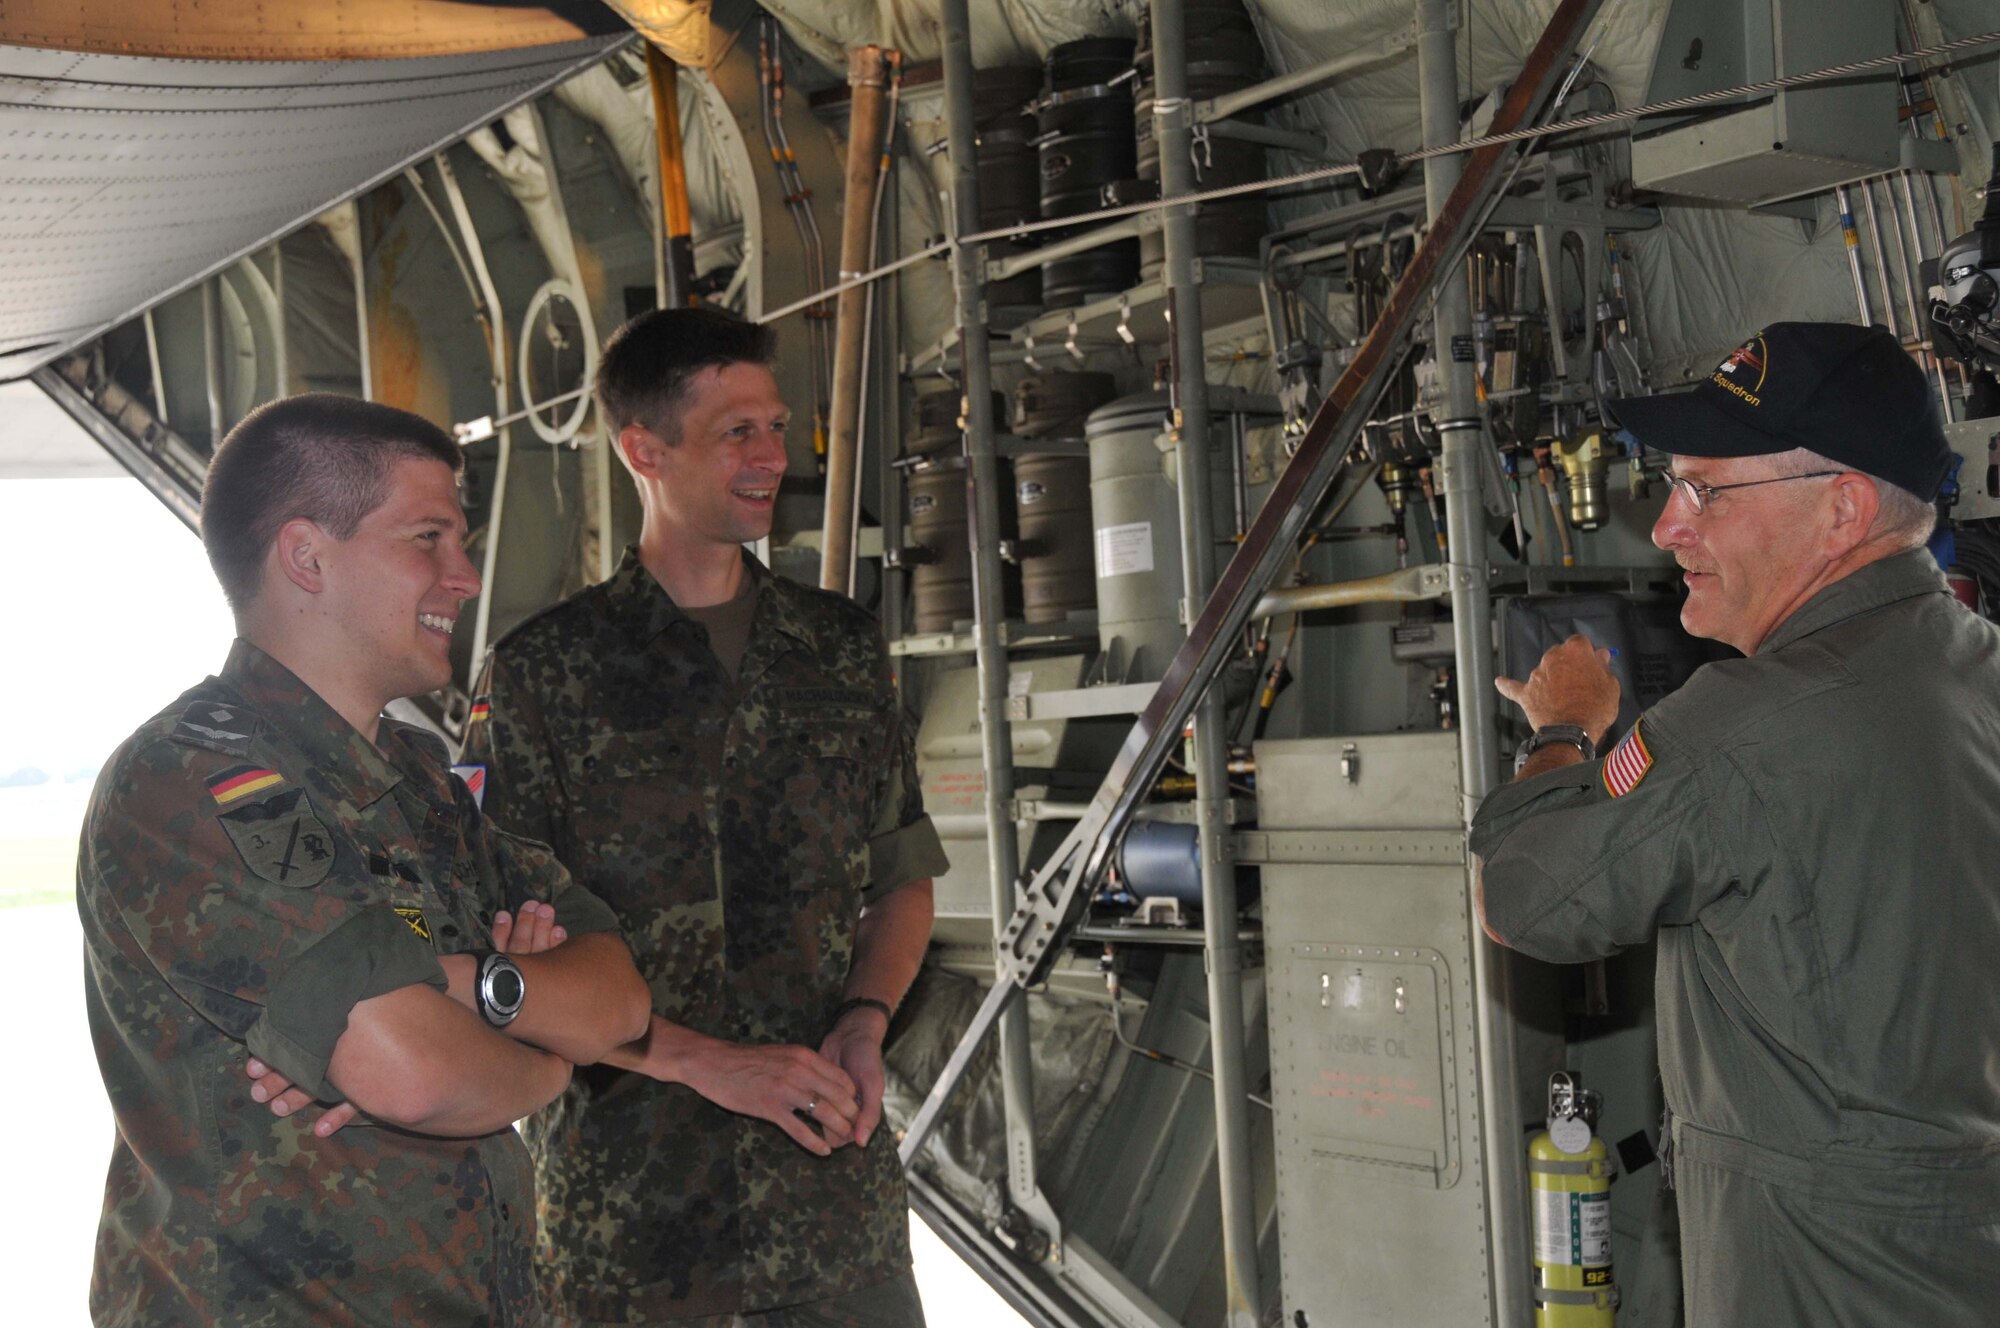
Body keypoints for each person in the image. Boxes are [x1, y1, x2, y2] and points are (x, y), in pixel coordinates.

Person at [79, 393, 652, 1326]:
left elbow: (621, 998)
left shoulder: (416, 776)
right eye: (427, 538)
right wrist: (548, 1054)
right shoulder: (189, 781)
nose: (463, 578)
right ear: (307, 556)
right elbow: (414, 1074)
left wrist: (466, 990)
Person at [1470, 322, 2000, 1324]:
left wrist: (1560, 731)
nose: (1667, 525)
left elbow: (1525, 896)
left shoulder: (1737, 724)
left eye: (1702, 489)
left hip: (1815, 1275)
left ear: (1840, 506)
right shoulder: (1975, 665)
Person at [461, 307, 950, 1326]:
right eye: (739, 431)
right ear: (645, 447)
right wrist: (703, 1060)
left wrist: (864, 1020)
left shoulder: (840, 650)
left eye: (776, 427)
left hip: (834, 1213)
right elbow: (501, 965)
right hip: (629, 1229)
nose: (773, 455)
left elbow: (901, 874)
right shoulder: (542, 675)